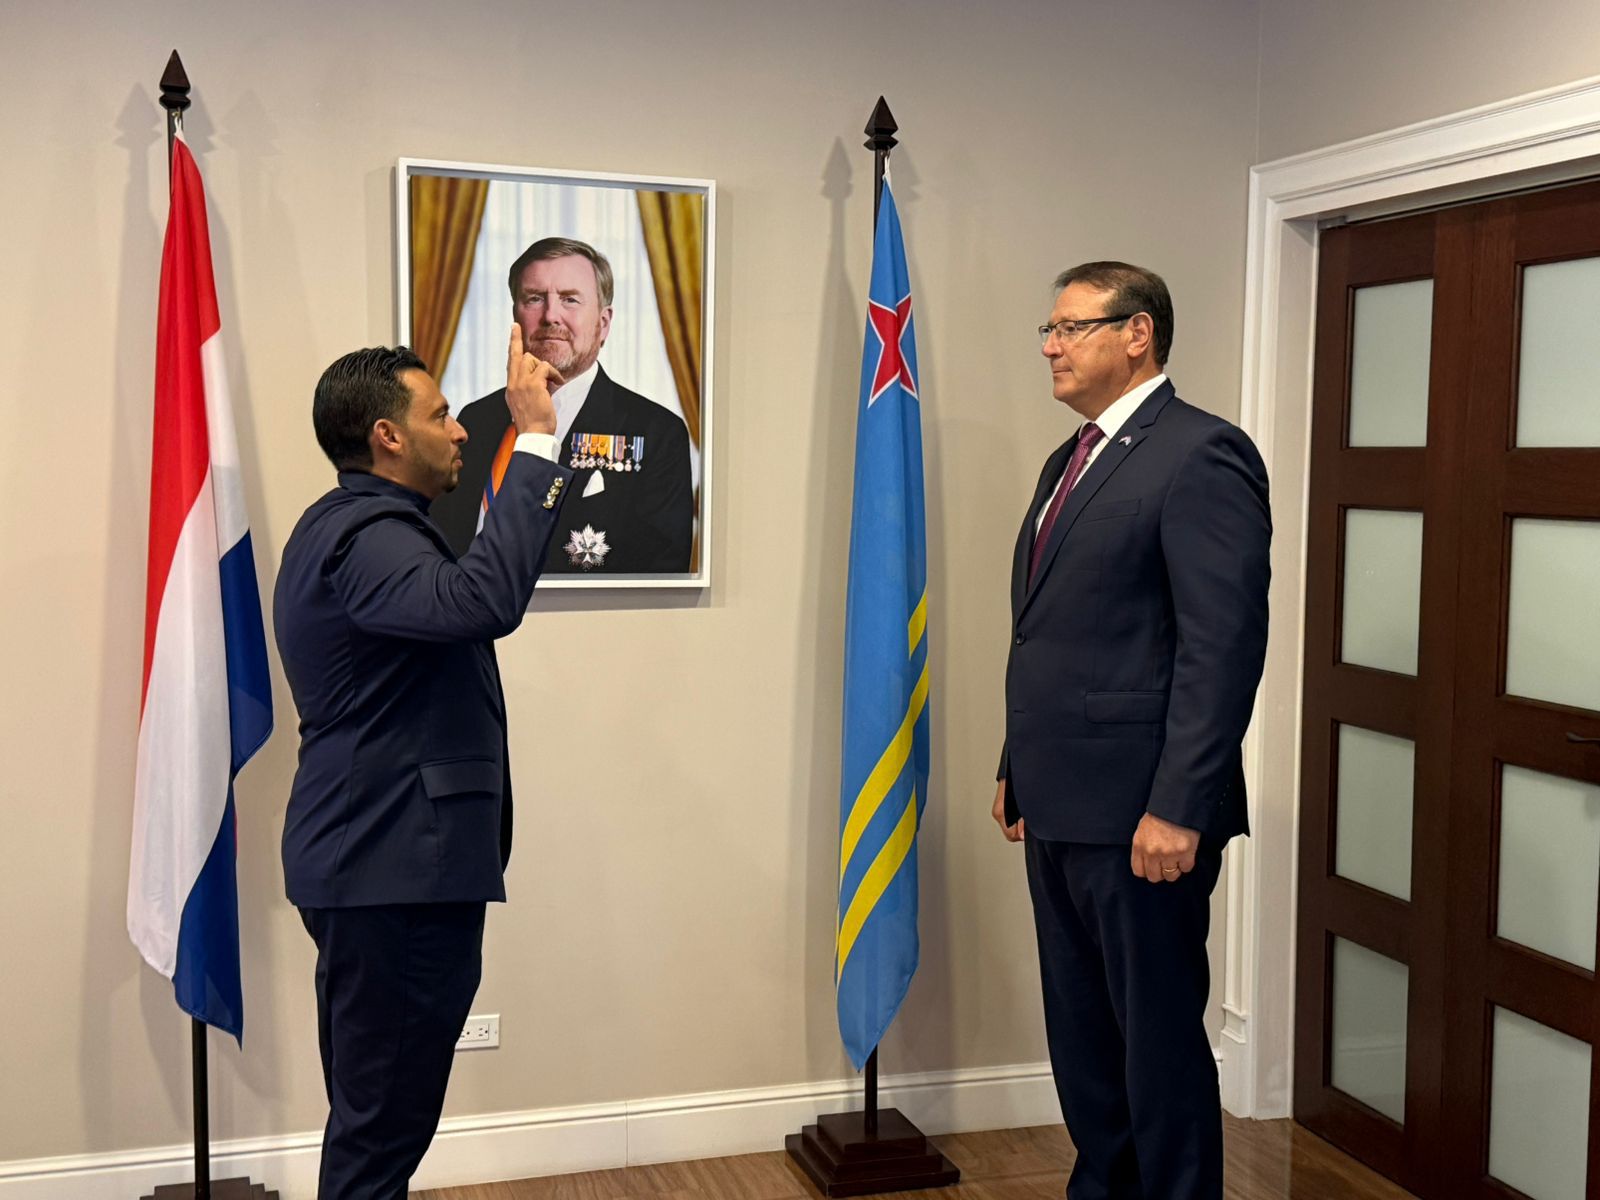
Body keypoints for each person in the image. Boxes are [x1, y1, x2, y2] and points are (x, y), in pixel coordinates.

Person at [993, 262, 1271, 1200]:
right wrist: (1016, 763)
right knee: (1083, 1038)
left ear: (1137, 333)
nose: (1050, 347)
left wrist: (1180, 807)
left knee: (1157, 1046)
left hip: (1146, 816)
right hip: (1058, 800)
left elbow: (1220, 648)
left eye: (1070, 328)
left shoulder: (1202, 454)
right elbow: (1051, 631)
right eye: (1050, 328)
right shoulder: (1067, 459)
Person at [274, 330, 570, 1198]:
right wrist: (536, 437)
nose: (460, 428)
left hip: (380, 866)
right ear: (387, 437)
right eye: (440, 414)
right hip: (390, 870)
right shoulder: (367, 535)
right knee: (380, 1132)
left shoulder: (354, 525)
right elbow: (480, 601)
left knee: (376, 1120)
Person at [430, 236, 695, 573]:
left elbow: (660, 579)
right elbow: (442, 548)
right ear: (515, 316)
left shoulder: (657, 432)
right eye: (534, 298)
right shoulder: (475, 420)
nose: (550, 315)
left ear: (603, 324)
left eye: (570, 299)